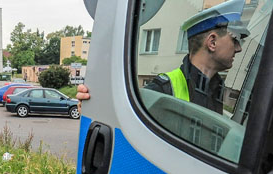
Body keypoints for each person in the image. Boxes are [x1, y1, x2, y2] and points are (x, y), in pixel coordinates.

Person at [77, 0, 248, 114]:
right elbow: (125, 122)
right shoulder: (162, 89)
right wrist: (92, 105)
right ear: (212, 42)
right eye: (235, 40)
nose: (239, 48)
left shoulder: (216, 89)